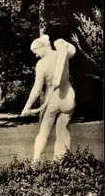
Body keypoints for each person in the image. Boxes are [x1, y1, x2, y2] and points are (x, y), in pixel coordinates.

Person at [20, 34, 76, 162]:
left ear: (42, 47)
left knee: (44, 132)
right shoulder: (63, 54)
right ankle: (60, 162)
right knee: (62, 131)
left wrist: (27, 107)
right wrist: (62, 43)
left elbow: (37, 89)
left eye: (35, 52)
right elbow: (72, 49)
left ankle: (35, 162)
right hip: (68, 97)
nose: (35, 55)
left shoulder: (42, 64)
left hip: (53, 99)